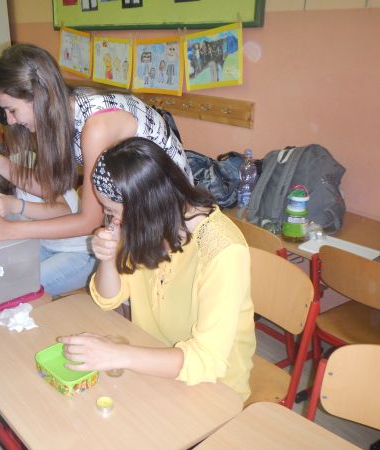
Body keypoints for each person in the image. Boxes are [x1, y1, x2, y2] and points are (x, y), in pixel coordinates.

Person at [59, 137, 256, 402]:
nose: (113, 221)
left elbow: (207, 360)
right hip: (151, 360)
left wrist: (117, 355)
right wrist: (106, 257)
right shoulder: (149, 226)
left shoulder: (223, 251)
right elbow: (108, 299)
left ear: (144, 208)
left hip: (213, 386)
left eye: (113, 211)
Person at [0, 43, 191, 253]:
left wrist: (9, 230)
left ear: (39, 97)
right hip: (136, 213)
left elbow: (89, 222)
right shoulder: (66, 110)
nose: (10, 121)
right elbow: (52, 188)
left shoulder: (96, 126)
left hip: (169, 219)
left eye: (12, 110)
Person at [0, 132, 95, 296]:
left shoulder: (24, 166)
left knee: (17, 288)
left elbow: (63, 211)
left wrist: (15, 205)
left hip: (81, 251)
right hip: (45, 246)